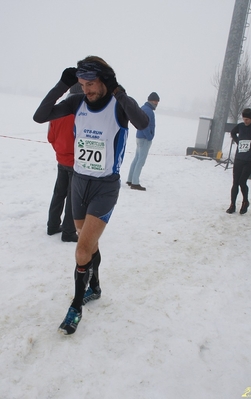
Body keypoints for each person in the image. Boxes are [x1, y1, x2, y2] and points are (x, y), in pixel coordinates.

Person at [33, 55, 149, 335]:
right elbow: (40, 116)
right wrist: (63, 84)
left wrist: (119, 91)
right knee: (89, 242)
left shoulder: (118, 106)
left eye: (92, 83)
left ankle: (75, 306)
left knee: (82, 248)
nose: (87, 90)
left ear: (106, 81)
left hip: (105, 187)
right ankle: (94, 286)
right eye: (82, 84)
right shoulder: (77, 102)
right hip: (78, 182)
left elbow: (142, 122)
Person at [47, 83, 83, 243]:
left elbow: (50, 137)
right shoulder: (81, 112)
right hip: (75, 162)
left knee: (59, 193)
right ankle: (68, 232)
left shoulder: (58, 111)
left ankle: (53, 225)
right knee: (72, 197)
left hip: (61, 159)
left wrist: (60, 150)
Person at [226, 108, 251, 215]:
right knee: (235, 182)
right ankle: (232, 205)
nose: (245, 121)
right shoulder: (241, 126)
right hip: (239, 157)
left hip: (249, 159)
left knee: (242, 182)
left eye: (247, 119)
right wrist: (238, 141)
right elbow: (233, 133)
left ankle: (245, 201)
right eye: (244, 119)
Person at [126, 92, 160, 191]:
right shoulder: (149, 111)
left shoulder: (143, 108)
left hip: (139, 137)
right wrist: (149, 136)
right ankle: (135, 183)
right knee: (141, 160)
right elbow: (145, 125)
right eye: (156, 101)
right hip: (144, 138)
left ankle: (130, 179)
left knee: (136, 159)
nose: (157, 103)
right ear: (151, 100)